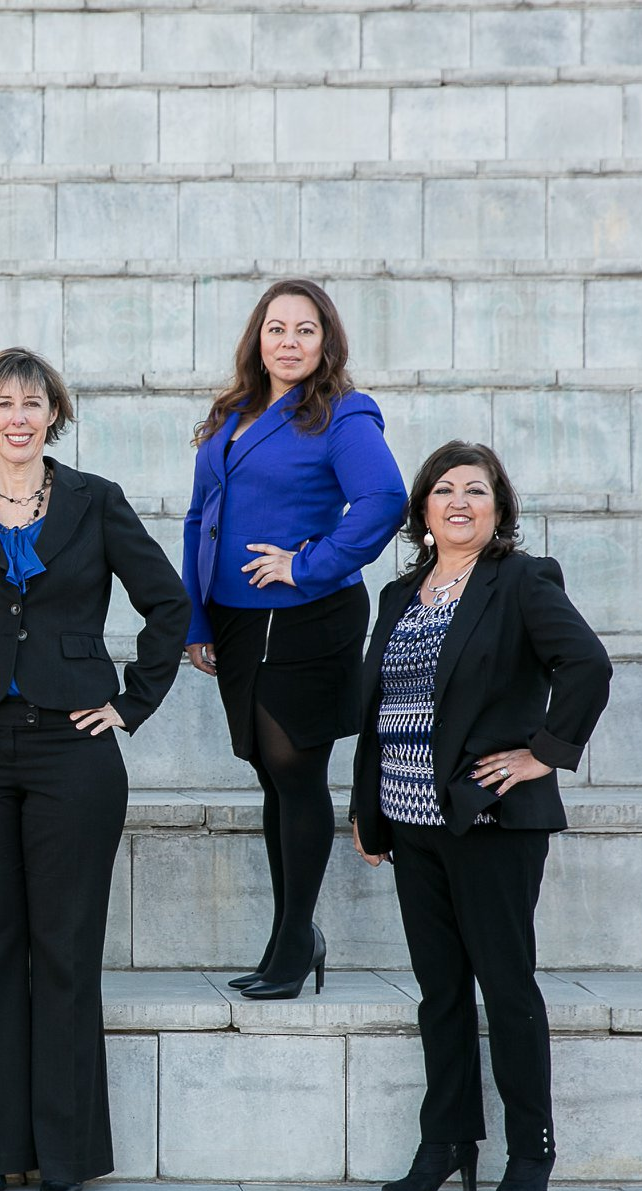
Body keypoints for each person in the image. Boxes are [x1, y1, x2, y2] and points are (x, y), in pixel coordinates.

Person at [0, 348, 191, 1191]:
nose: (18, 417)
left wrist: (130, 703)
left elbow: (168, 603)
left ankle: (64, 1153)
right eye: (3, 404)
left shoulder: (95, 501)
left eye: (32, 403)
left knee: (64, 948)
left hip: (73, 748)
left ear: (53, 414)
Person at [351, 441, 610, 1191]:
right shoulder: (398, 593)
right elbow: (378, 709)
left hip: (490, 820)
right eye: (443, 489)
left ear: (498, 508)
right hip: (410, 821)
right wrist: (367, 808)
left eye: (475, 489)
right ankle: (446, 1140)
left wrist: (543, 754)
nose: (458, 501)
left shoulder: (521, 581)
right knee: (439, 991)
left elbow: (587, 664)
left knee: (504, 984)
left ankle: (530, 1149)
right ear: (421, 510)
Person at [180, 277, 405, 1000]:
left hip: (305, 615)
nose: (288, 341)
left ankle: (292, 942)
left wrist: (306, 563)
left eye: (305, 329)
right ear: (257, 338)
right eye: (276, 328)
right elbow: (198, 516)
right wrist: (195, 618)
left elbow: (384, 499)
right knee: (270, 775)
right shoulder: (232, 412)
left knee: (295, 771)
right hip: (238, 617)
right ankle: (293, 937)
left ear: (325, 340)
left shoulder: (342, 412)